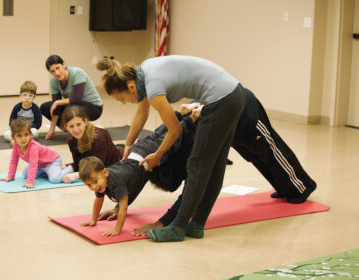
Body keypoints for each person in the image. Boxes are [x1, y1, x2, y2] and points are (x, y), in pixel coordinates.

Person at [99, 89, 317, 237]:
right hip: (220, 119)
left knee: (268, 148)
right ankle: (285, 188)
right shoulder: (155, 151)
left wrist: (163, 222)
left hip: (241, 110)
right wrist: (120, 204)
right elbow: (140, 172)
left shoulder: (181, 146)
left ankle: (303, 186)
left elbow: (194, 186)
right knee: (253, 154)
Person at [97, 55, 245, 242]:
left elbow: (174, 130)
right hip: (232, 94)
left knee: (197, 166)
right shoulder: (141, 74)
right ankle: (197, 225)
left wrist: (158, 154)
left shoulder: (153, 86)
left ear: (131, 87)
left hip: (221, 100)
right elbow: (142, 112)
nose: (125, 103)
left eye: (121, 99)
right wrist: (128, 145)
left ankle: (177, 227)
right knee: (214, 166)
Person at [77, 104, 201, 237]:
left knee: (171, 139)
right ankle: (180, 113)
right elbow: (98, 201)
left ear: (105, 172)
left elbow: (123, 208)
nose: (94, 186)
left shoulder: (115, 182)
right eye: (89, 185)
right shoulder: (102, 179)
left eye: (95, 182)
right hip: (138, 150)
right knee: (157, 134)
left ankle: (191, 118)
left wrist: (117, 230)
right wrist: (93, 220)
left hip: (148, 155)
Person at [41, 55, 103, 140]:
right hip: (76, 106)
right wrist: (52, 128)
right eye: (53, 71)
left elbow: (77, 99)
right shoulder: (54, 81)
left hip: (94, 107)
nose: (57, 73)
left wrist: (57, 102)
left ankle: (88, 129)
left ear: (63, 64)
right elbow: (57, 108)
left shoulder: (77, 73)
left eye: (58, 68)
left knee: (70, 108)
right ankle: (70, 128)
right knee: (45, 107)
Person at [0, 119, 73, 189]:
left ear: (30, 134)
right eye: (19, 136)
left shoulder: (33, 147)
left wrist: (30, 182)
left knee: (54, 179)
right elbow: (14, 161)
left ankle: (70, 168)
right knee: (25, 174)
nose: (23, 138)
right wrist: (11, 176)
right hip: (40, 165)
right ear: (13, 137)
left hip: (52, 161)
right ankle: (48, 172)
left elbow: (33, 164)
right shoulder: (16, 145)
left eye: (26, 135)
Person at [59, 105, 124, 183]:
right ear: (66, 127)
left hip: (119, 161)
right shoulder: (70, 138)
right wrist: (67, 166)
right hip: (98, 158)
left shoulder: (99, 137)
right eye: (71, 126)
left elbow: (99, 167)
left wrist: (78, 175)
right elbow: (79, 164)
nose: (75, 130)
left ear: (86, 122)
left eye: (78, 124)